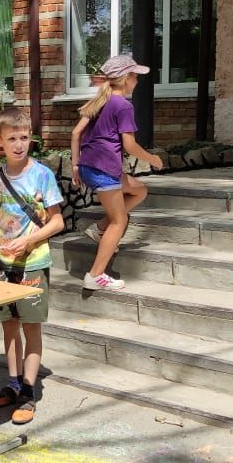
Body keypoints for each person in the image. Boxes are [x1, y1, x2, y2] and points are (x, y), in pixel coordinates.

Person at [0, 107, 65, 425]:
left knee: (31, 327)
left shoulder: (42, 175)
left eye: (24, 138)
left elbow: (57, 222)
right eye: (12, 138)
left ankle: (28, 391)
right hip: (2, 264)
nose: (19, 144)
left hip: (33, 264)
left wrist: (29, 240)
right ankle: (13, 385)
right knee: (9, 326)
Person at [71, 54, 164, 290]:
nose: (137, 81)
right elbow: (129, 145)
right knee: (119, 221)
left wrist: (75, 166)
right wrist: (153, 159)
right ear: (126, 78)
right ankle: (95, 275)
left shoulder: (101, 100)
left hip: (89, 167)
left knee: (140, 190)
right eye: (135, 76)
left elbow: (75, 133)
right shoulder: (123, 105)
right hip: (104, 170)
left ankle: (99, 229)